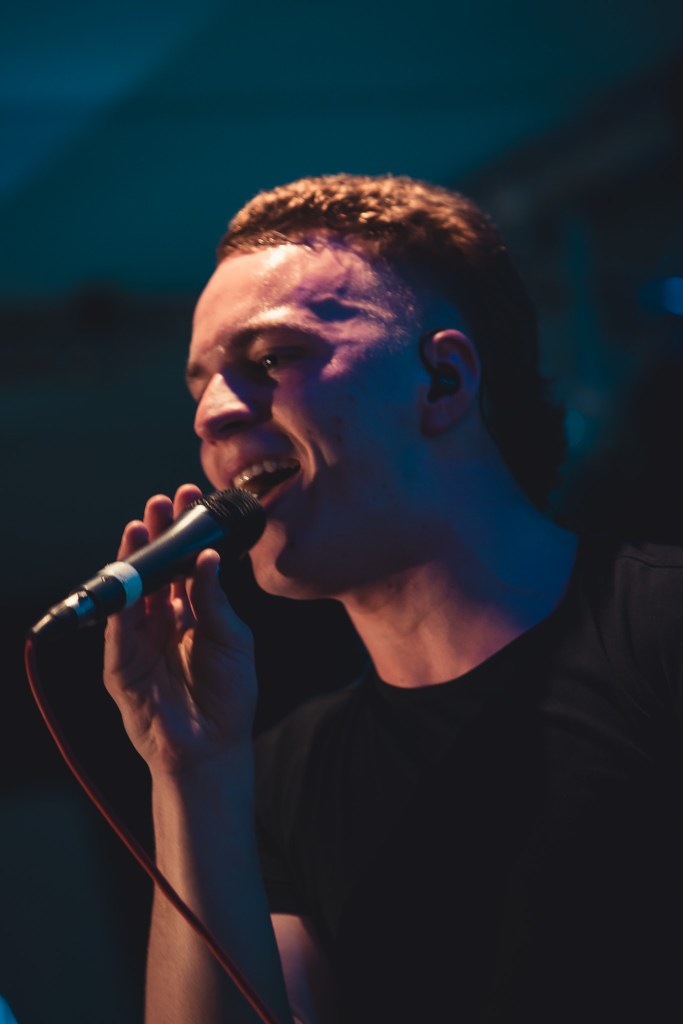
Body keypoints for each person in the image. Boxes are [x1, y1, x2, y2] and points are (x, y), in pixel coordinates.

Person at [104, 174, 683, 1024]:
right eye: (201, 386)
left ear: (442, 380)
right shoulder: (283, 780)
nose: (213, 415)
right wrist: (188, 773)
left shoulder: (659, 629)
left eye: (270, 359)